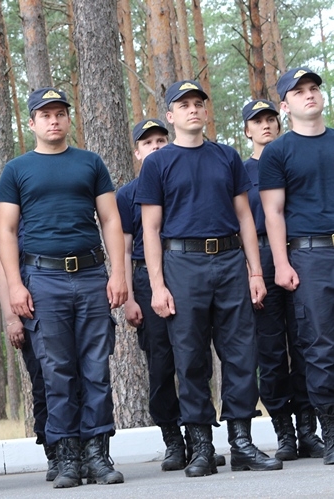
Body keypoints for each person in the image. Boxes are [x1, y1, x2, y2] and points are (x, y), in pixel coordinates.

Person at [136, 80, 282, 477]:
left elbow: (245, 217)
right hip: (182, 264)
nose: (193, 110)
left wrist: (255, 271)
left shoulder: (226, 156)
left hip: (231, 261)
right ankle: (201, 446)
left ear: (205, 111)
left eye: (198, 103)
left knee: (241, 353)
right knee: (190, 357)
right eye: (183, 105)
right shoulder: (158, 163)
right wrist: (158, 285)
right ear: (171, 115)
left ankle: (242, 443)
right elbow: (150, 229)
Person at [0, 87, 127, 488]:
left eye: (60, 113)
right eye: (45, 115)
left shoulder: (90, 163)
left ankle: (97, 455)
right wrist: (15, 286)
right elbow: (6, 231)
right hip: (43, 279)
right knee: (56, 371)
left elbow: (110, 220)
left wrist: (118, 274)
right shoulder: (17, 170)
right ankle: (67, 456)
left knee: (95, 368)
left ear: (69, 119)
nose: (53, 121)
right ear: (32, 122)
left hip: (90, 276)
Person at [240, 99, 325, 462]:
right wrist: (252, 270)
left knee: (307, 345)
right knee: (271, 351)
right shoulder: (241, 171)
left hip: (299, 255)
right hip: (259, 258)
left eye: (271, 119)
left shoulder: (293, 157)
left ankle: (307, 428)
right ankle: (284, 431)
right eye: (257, 121)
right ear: (247, 130)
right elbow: (239, 222)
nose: (266, 125)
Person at [259, 67, 334, 465]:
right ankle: (331, 431)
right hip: (309, 255)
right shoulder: (278, 152)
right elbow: (273, 212)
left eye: (314, 88)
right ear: (285, 106)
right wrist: (282, 263)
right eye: (299, 91)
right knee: (320, 346)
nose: (310, 94)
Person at [117, 118, 191, 472]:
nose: (156, 147)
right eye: (148, 143)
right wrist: (130, 298)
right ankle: (173, 439)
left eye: (161, 140)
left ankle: (198, 436)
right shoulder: (127, 195)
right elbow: (124, 248)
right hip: (146, 281)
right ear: (137, 153)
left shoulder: (182, 182)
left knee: (193, 360)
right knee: (161, 365)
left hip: (185, 273)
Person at [0, 222, 55, 481]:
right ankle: (53, 451)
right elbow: (1, 273)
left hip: (63, 302)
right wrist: (11, 319)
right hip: (28, 314)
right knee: (42, 383)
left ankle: (80, 447)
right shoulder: (10, 223)